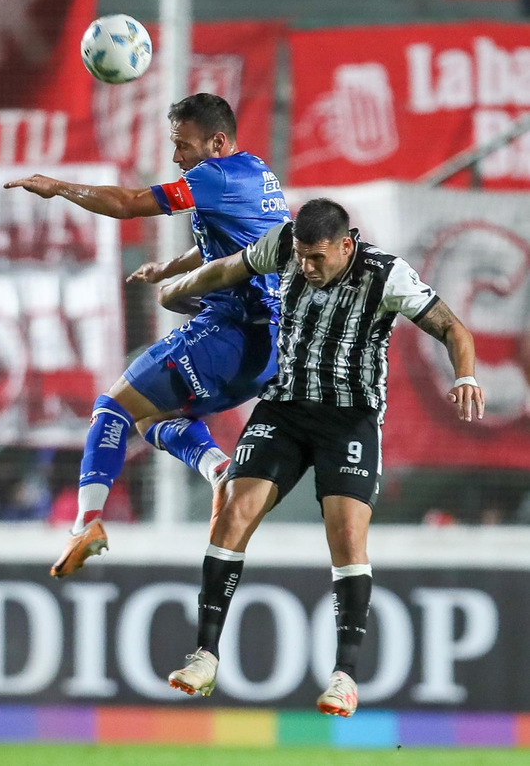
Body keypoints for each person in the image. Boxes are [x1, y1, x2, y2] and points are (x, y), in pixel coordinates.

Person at [159, 198, 485, 717]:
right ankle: (205, 655)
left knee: (347, 534)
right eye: (301, 257)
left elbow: (453, 328)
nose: (307, 267)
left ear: (346, 246)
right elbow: (225, 269)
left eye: (317, 257)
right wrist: (177, 287)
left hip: (349, 418)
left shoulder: (386, 275)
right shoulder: (282, 246)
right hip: (285, 407)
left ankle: (344, 676)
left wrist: (465, 375)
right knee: (233, 511)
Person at [3, 93, 290, 576]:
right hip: (267, 351)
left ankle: (87, 523)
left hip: (233, 334)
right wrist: (168, 268)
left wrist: (58, 187)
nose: (176, 157)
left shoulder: (212, 176)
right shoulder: (256, 172)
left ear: (217, 142)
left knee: (112, 407)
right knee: (147, 417)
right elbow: (230, 242)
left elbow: (127, 204)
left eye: (183, 145)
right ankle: (219, 469)